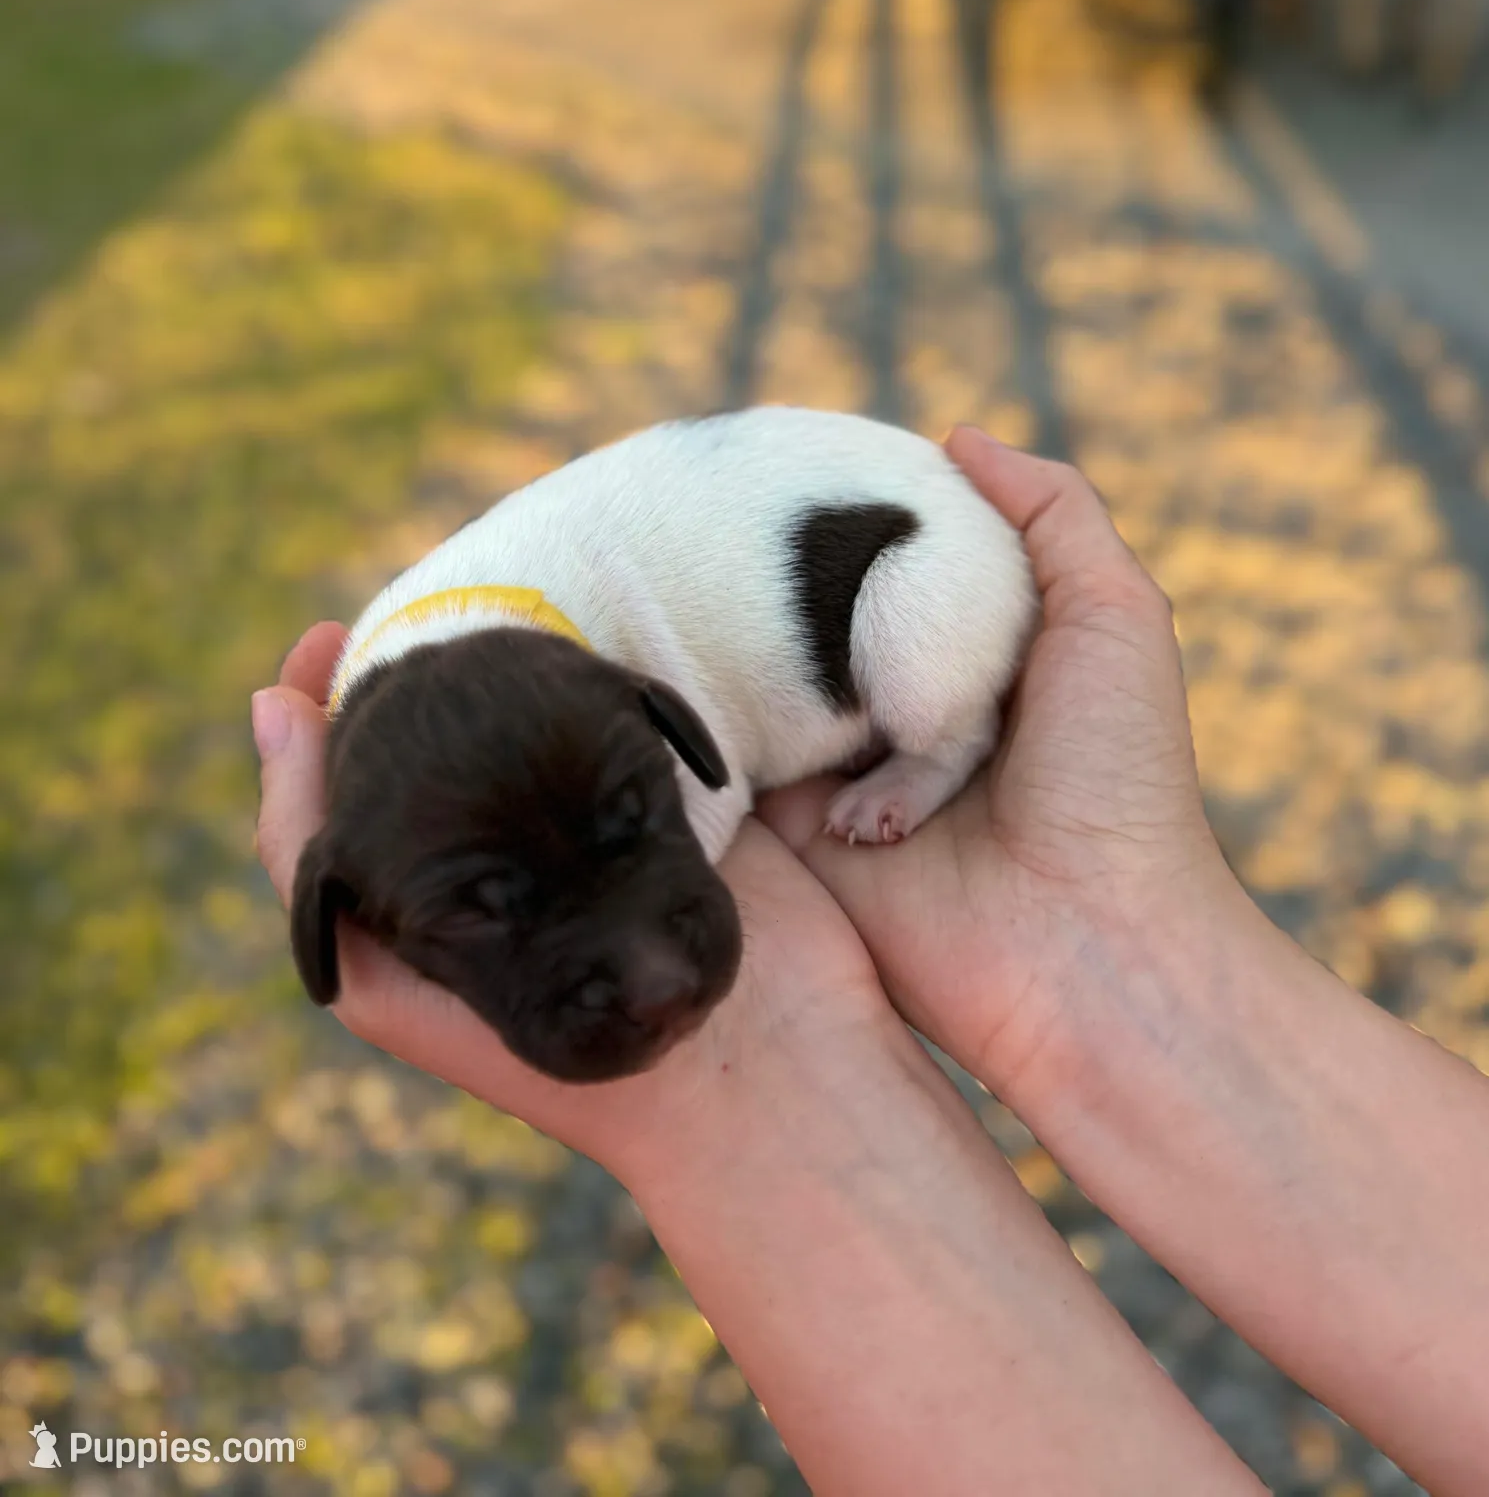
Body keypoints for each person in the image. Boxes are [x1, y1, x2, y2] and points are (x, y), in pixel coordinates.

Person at [252, 428, 1489, 1496]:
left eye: (639, 817)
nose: (650, 972)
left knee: (919, 630)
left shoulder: (598, 671)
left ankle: (937, 752)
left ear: (654, 717)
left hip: (906, 565)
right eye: (484, 908)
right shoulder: (526, 703)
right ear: (337, 915)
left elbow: (715, 778)